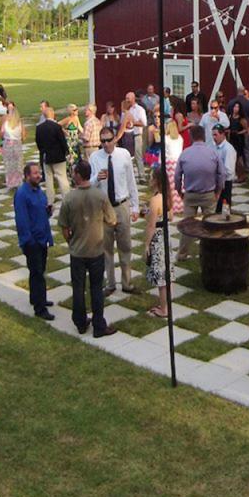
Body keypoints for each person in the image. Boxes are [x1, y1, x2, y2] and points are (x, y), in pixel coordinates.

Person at [59, 160, 118, 338]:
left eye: (74, 172)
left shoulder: (69, 198)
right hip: (96, 250)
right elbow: (112, 220)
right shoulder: (100, 196)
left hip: (77, 252)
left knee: (78, 288)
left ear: (78, 175)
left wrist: (71, 241)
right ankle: (99, 325)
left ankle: (80, 322)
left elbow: (64, 227)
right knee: (96, 288)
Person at [88, 126, 140, 293]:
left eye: (108, 140)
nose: (106, 144)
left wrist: (135, 206)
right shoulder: (95, 157)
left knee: (125, 246)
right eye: (102, 141)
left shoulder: (124, 154)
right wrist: (97, 178)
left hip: (121, 205)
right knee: (106, 248)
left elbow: (131, 181)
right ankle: (110, 284)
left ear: (114, 139)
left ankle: (127, 283)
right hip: (104, 208)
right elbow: (89, 184)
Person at [173, 125, 224, 261]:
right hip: (208, 194)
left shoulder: (185, 153)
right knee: (210, 225)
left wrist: (179, 191)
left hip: (190, 194)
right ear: (204, 136)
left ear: (191, 137)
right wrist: (218, 191)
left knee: (187, 226)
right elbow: (221, 174)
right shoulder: (213, 153)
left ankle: (182, 254)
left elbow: (177, 176)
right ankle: (209, 253)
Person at [15, 162, 55, 321]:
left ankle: (36, 298)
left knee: (38, 271)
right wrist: (29, 241)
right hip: (32, 241)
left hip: (42, 238)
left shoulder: (39, 191)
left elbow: (41, 212)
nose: (39, 176)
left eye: (39, 173)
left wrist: (48, 212)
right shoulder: (21, 194)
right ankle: (40, 308)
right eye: (35, 173)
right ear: (27, 176)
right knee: (38, 273)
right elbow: (21, 220)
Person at [144, 166, 173, 318]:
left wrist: (146, 244)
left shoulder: (155, 200)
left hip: (158, 239)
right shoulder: (167, 197)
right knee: (166, 274)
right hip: (166, 237)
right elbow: (171, 216)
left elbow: (151, 225)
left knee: (161, 277)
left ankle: (164, 309)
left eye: (151, 177)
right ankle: (166, 304)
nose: (149, 180)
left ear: (156, 180)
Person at [36, 103, 71, 202]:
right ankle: (67, 198)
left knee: (49, 179)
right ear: (53, 114)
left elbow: (38, 142)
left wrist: (43, 152)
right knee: (62, 178)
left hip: (46, 156)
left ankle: (50, 199)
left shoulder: (39, 127)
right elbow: (62, 141)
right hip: (58, 156)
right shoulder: (57, 127)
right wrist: (66, 152)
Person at [213, 124, 237, 212]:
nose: (214, 137)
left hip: (225, 182)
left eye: (215, 135)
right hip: (218, 181)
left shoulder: (228, 149)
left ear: (223, 134)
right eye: (213, 135)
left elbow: (229, 170)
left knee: (224, 208)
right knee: (217, 208)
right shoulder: (215, 147)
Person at [162, 120, 184, 216]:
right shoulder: (180, 138)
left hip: (169, 164)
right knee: (178, 185)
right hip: (178, 163)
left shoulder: (166, 138)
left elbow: (163, 153)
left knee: (169, 186)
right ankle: (179, 205)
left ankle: (171, 205)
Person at [2, 105, 25, 189]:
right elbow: (23, 135)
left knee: (9, 164)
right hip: (17, 143)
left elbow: (1, 133)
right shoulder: (19, 124)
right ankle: (18, 181)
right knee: (18, 163)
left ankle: (10, 182)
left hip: (8, 144)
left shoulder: (6, 123)